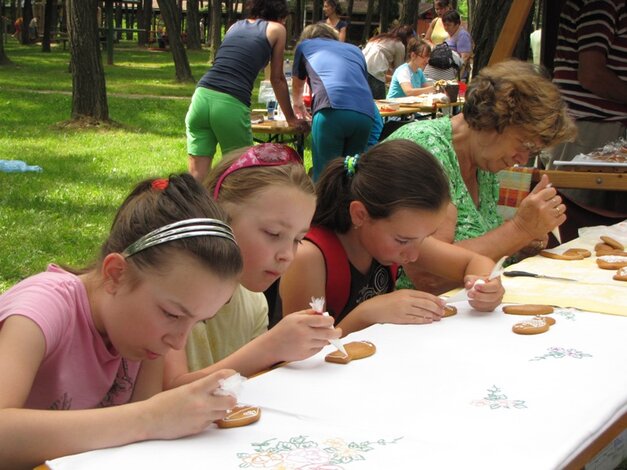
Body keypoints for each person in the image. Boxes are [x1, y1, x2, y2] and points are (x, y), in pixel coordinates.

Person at [0, 174, 244, 468]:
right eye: (172, 314)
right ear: (116, 273)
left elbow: (143, 446)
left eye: (197, 322)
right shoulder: (41, 310)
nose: (178, 341)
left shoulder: (146, 337)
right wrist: (151, 417)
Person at [386, 60, 578, 293]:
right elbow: (429, 279)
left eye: (533, 151)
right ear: (493, 118)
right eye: (524, 143)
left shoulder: (484, 164)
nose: (523, 158)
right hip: (409, 319)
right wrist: (520, 230)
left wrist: (520, 244)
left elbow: (476, 250)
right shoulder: (423, 150)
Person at [279, 140, 504, 337]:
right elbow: (302, 352)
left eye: (424, 238)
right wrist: (368, 313)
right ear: (360, 215)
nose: (414, 255)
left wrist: (484, 284)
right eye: (403, 240)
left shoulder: (396, 238)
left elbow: (474, 262)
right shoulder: (309, 258)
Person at [163, 144, 341, 387]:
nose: (287, 255)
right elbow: (165, 392)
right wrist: (269, 348)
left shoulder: (253, 303)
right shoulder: (168, 291)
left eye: (298, 239)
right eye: (273, 233)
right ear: (220, 216)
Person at [185, 0, 308, 182]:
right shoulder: (277, 29)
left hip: (201, 97)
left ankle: (191, 209)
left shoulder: (234, 26)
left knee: (197, 177)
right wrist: (291, 118)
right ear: (281, 15)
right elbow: (277, 79)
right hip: (230, 102)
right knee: (241, 174)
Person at [549, 0, 627, 237]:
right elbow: (591, 74)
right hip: (590, 127)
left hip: (599, 127)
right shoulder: (602, 3)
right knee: (573, 218)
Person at [291, 23, 375, 181]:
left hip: (331, 110)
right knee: (352, 173)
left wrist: (299, 106)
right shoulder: (355, 50)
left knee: (325, 175)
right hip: (365, 112)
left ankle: (323, 205)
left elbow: (297, 86)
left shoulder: (305, 46)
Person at [362, 24, 415, 99]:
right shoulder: (399, 44)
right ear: (407, 37)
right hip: (375, 73)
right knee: (379, 104)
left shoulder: (380, 38)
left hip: (361, 69)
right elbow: (399, 70)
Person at [441, 10, 472, 79]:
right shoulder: (450, 35)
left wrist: (458, 78)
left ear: (457, 24)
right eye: (444, 25)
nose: (446, 28)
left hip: (457, 76)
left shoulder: (462, 35)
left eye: (449, 25)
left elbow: (465, 58)